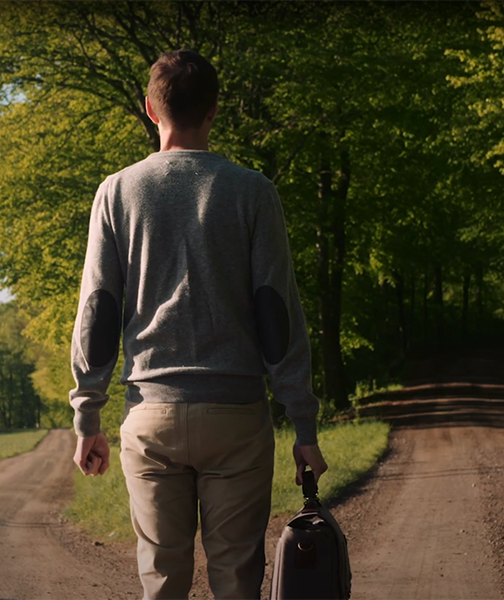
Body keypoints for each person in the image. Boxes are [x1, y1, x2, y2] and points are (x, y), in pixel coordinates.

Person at [69, 49, 327, 600]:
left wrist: (87, 413)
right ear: (214, 111)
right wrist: (302, 424)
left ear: (149, 109)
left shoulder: (116, 191)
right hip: (236, 417)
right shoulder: (253, 191)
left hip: (151, 417)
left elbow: (98, 310)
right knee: (237, 582)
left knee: (161, 582)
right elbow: (277, 312)